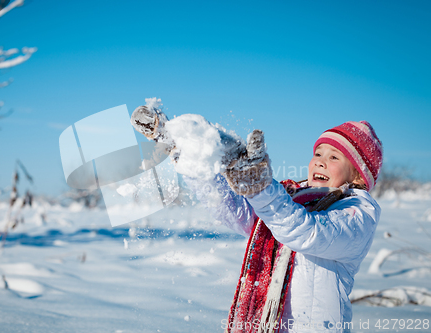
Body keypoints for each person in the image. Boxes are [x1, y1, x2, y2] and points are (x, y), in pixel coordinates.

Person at [130, 104, 383, 332]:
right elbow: (237, 212)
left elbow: (308, 232)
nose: (320, 162)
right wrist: (192, 161)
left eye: (334, 157)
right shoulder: (291, 197)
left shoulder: (356, 212)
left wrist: (260, 187)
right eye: (318, 154)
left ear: (358, 177)